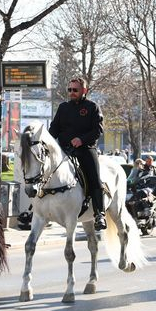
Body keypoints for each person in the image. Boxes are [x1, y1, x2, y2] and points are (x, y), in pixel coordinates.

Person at [49, 77, 106, 230]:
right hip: (64, 150)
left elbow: (98, 130)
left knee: (94, 178)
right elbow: (53, 129)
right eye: (70, 90)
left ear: (84, 91)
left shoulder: (92, 107)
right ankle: (35, 209)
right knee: (45, 172)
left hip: (86, 149)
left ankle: (100, 214)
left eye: (75, 90)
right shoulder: (63, 107)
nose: (72, 92)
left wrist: (81, 139)